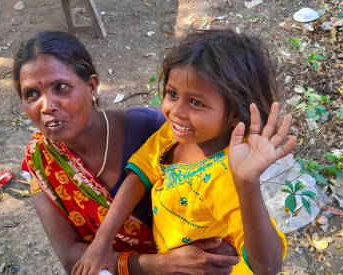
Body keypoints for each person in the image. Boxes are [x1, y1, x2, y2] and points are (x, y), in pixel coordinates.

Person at [15, 31, 241, 274]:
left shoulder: (152, 129)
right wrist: (162, 265)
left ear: (92, 86)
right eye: (32, 95)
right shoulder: (41, 161)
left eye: (61, 87)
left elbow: (220, 200)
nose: (47, 106)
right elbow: (72, 259)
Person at [73, 29, 293, 275]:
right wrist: (102, 241)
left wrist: (247, 184)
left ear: (235, 113)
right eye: (173, 94)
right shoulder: (173, 134)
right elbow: (142, 172)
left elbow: (269, 266)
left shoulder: (227, 178)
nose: (175, 111)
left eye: (196, 102)